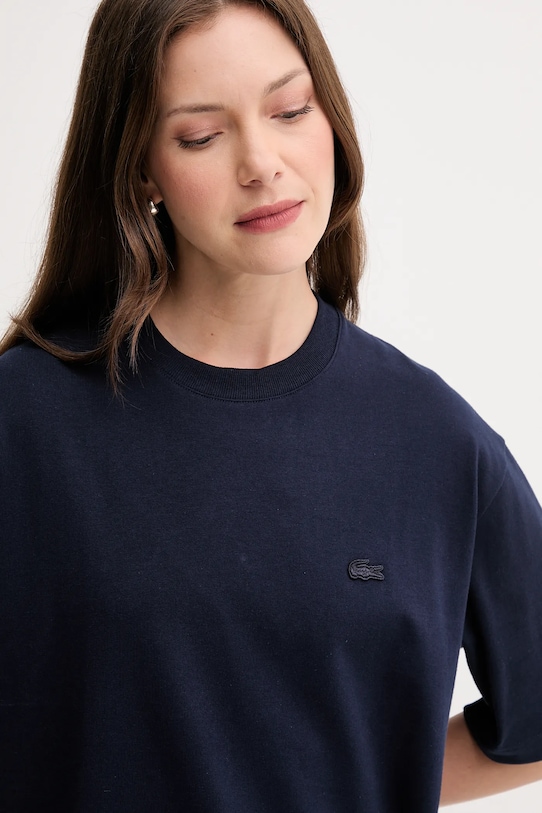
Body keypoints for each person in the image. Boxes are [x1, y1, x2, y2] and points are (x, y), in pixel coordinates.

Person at [1, 0, 541, 811]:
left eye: (290, 111)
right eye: (201, 136)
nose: (261, 162)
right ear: (141, 168)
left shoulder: (435, 440)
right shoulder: (25, 422)